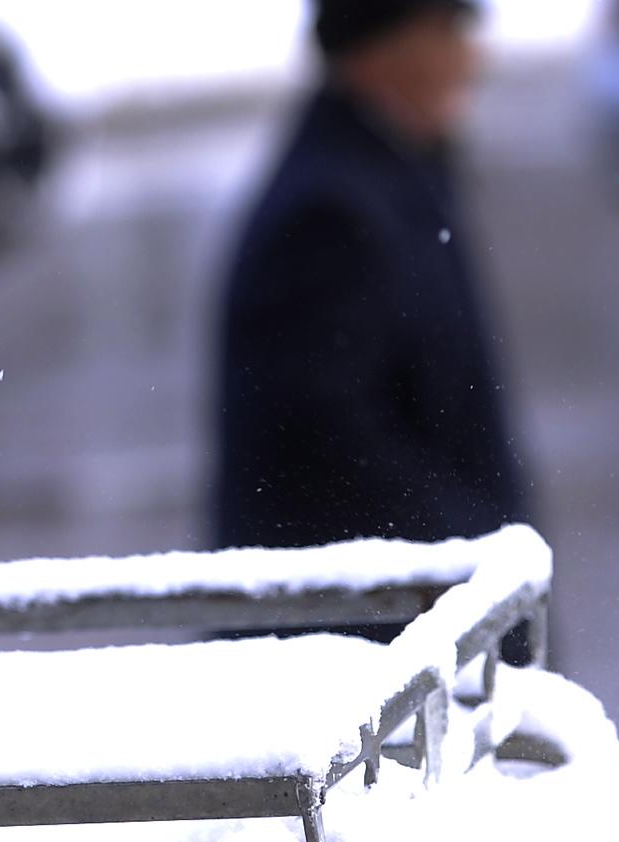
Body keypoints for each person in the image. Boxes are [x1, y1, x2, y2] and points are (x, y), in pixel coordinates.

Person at [211, 0, 530, 553]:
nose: (471, 58)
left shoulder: (395, 171)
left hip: (430, 611)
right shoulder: (330, 213)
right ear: (385, 46)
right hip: (380, 624)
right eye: (448, 31)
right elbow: (327, 448)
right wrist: (472, 557)